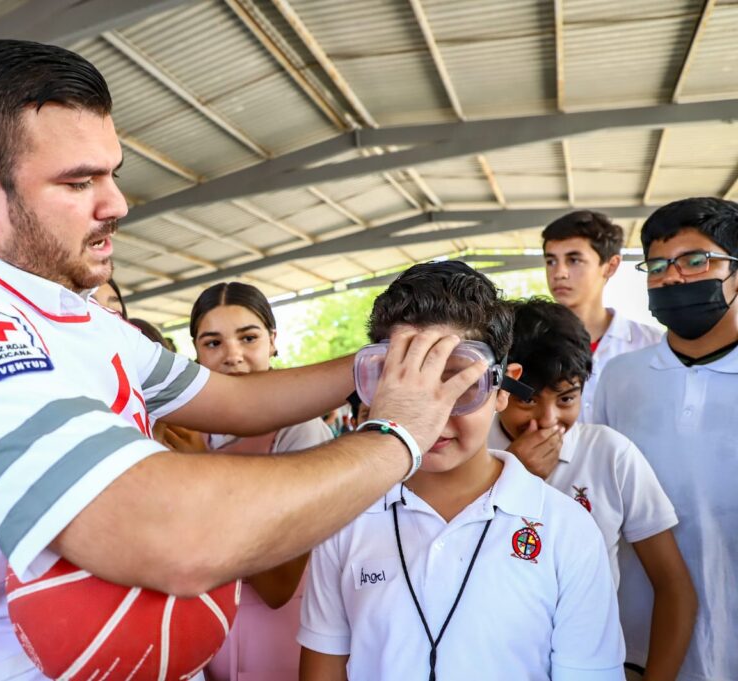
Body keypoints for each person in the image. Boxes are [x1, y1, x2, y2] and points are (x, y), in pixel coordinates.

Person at [0, 39, 487, 678]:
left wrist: (390, 363)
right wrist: (394, 436)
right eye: (80, 182)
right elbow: (171, 534)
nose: (117, 205)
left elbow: (239, 401)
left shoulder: (81, 320)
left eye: (113, 174)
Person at [298, 261, 623, 681]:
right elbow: (323, 667)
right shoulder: (343, 520)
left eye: (460, 383)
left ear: (504, 387)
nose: (431, 414)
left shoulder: (567, 530)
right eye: (407, 385)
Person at [491, 297, 696, 681]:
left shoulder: (610, 454)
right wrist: (514, 476)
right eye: (527, 399)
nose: (548, 420)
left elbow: (674, 588)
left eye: (566, 399)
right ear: (498, 388)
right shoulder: (470, 454)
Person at [593, 197, 738, 681]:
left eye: (696, 261)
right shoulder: (621, 378)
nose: (673, 277)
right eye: (657, 266)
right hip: (645, 642)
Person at [190, 282, 334, 681]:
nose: (232, 356)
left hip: (282, 644)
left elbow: (277, 586)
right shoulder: (193, 433)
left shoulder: (300, 432)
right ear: (196, 353)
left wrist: (193, 471)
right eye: (213, 343)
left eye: (248, 338)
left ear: (272, 341)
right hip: (206, 648)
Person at [542, 211, 662, 422]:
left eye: (574, 260)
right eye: (551, 261)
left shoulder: (652, 345)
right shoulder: (527, 343)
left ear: (611, 266)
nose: (559, 272)